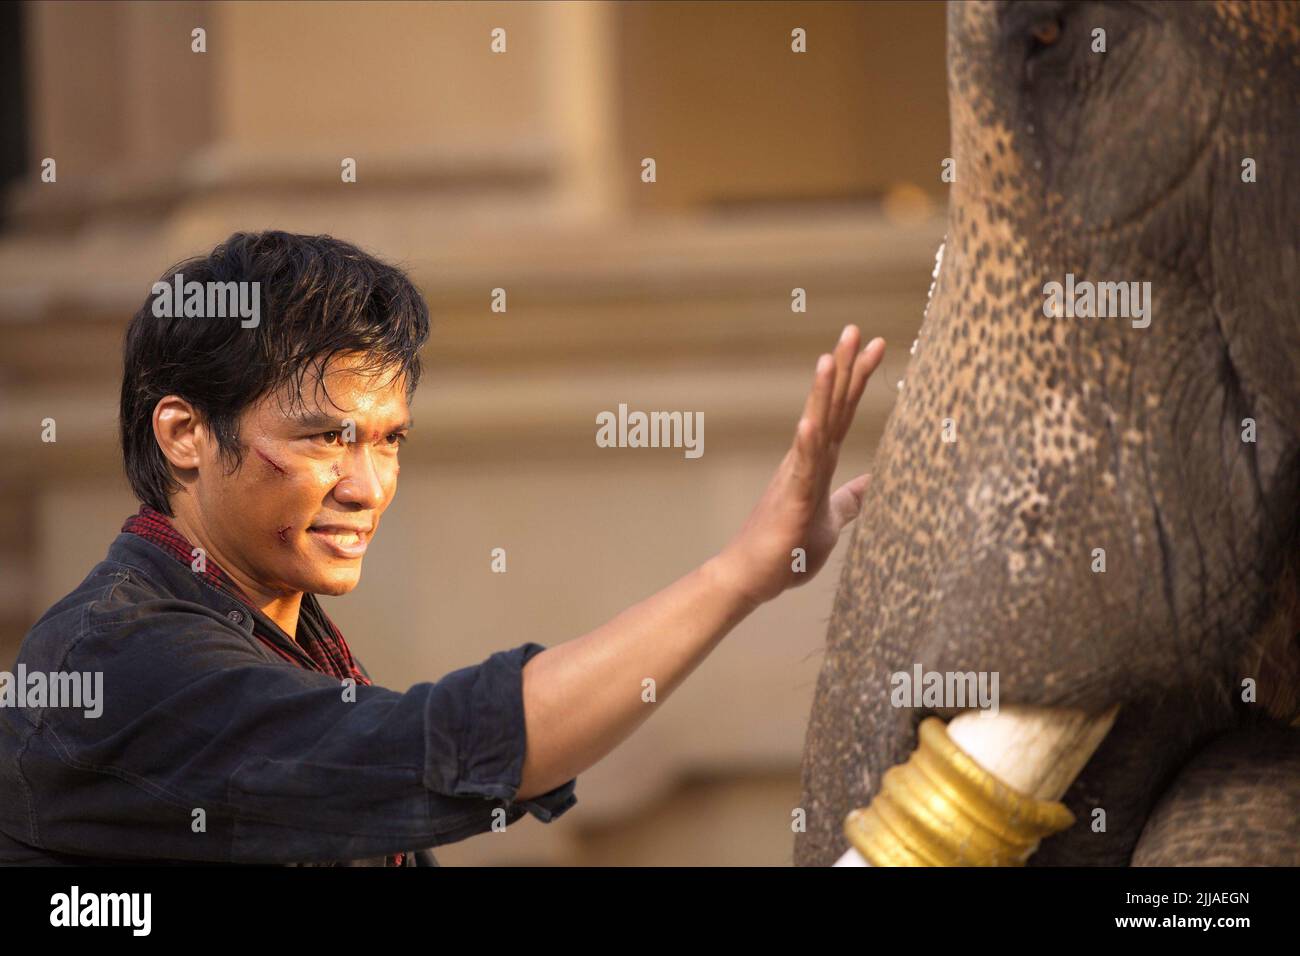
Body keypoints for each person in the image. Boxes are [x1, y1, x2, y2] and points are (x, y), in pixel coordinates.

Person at [0, 231, 885, 866]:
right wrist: (738, 575)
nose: (366, 486)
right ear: (184, 434)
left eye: (389, 441)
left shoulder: (281, 641)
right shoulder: (116, 660)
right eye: (325, 438)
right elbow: (444, 744)